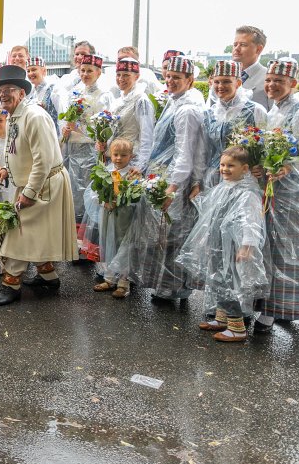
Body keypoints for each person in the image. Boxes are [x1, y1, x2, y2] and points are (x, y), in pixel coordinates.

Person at [0, 65, 77, 306]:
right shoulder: (15, 114)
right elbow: (14, 149)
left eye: (9, 90)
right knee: (34, 233)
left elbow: (44, 159)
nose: (3, 95)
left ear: (21, 92)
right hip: (33, 182)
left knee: (19, 233)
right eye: (0, 91)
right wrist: (6, 169)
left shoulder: (34, 116)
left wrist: (29, 192)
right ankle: (48, 276)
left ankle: (11, 284)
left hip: (45, 184)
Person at [129, 55, 206, 301]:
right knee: (162, 235)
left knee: (172, 237)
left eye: (177, 78)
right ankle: (166, 285)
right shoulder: (175, 102)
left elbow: (185, 152)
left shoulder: (187, 110)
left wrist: (172, 187)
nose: (171, 81)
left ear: (190, 80)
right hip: (164, 175)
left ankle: (174, 288)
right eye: (169, 76)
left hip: (175, 180)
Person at [176, 146, 269, 343]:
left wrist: (246, 246)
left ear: (245, 168)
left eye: (230, 166)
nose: (225, 169)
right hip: (218, 245)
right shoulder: (226, 186)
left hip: (232, 248)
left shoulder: (247, 193)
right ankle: (221, 317)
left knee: (229, 283)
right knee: (217, 279)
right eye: (222, 165)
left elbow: (251, 221)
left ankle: (237, 328)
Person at [252, 58, 299, 334]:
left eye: (279, 81)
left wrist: (288, 166)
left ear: (293, 84)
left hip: (295, 195)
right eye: (269, 80)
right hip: (274, 191)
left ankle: (280, 310)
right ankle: (278, 307)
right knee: (273, 250)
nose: (271, 85)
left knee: (291, 252)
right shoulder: (275, 109)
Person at [58, 54, 114, 253]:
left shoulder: (104, 95)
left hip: (91, 151)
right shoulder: (74, 94)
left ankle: (90, 243)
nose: (86, 74)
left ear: (99, 72)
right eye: (82, 70)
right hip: (73, 151)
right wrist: (66, 129)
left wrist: (79, 127)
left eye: (90, 70)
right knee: (74, 195)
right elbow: (66, 121)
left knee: (90, 195)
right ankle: (74, 242)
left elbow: (103, 129)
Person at [85, 138, 139, 298]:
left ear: (131, 156)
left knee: (123, 245)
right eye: (115, 154)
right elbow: (94, 192)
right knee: (108, 244)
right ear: (110, 154)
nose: (118, 158)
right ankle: (109, 278)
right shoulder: (105, 172)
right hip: (107, 214)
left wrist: (123, 200)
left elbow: (137, 196)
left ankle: (123, 283)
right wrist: (104, 202)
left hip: (124, 216)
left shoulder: (132, 174)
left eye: (123, 155)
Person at [201, 60, 267, 190]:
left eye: (226, 81)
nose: (220, 86)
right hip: (214, 178)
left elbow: (265, 145)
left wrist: (261, 166)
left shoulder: (254, 110)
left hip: (244, 180)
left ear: (238, 83)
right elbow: (203, 150)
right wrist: (197, 180)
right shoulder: (209, 114)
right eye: (217, 81)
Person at [107, 57, 154, 173]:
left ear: (136, 77)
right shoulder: (119, 100)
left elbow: (147, 135)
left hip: (132, 161)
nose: (121, 79)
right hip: (117, 160)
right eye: (118, 75)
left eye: (126, 75)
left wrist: (141, 165)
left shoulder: (141, 101)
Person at [232, 25, 269, 110]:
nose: (236, 49)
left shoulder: (268, 78)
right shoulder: (224, 77)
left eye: (243, 45)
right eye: (235, 44)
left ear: (258, 49)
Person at [26, 56, 59, 134]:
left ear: (44, 71)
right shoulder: (31, 93)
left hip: (51, 135)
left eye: (34, 69)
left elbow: (60, 117)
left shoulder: (53, 89)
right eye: (28, 71)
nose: (30, 73)